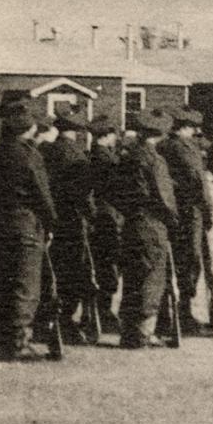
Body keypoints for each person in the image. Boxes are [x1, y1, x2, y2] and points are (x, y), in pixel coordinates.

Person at [0, 101, 59, 361]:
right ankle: (18, 343)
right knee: (25, 286)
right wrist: (51, 224)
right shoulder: (29, 155)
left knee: (3, 283)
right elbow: (42, 195)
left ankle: (3, 343)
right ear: (28, 128)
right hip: (26, 226)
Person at [116, 109, 179, 350]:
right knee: (151, 277)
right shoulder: (154, 160)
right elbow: (164, 198)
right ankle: (143, 332)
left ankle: (128, 331)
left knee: (132, 276)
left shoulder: (128, 156)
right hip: (152, 223)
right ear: (160, 133)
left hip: (131, 221)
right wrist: (173, 222)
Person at [43, 111, 99, 342]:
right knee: (74, 270)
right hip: (72, 220)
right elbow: (81, 192)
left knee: (54, 269)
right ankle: (66, 321)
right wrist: (92, 215)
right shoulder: (74, 154)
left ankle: (48, 319)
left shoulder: (46, 150)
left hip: (53, 218)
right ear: (76, 131)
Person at [162, 106, 213, 332]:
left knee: (170, 260)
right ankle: (183, 314)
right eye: (193, 127)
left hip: (170, 211)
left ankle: (167, 313)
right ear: (185, 127)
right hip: (190, 212)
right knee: (190, 261)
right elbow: (199, 183)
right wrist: (208, 212)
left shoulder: (162, 145)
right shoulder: (186, 148)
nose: (195, 132)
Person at [88, 116, 125, 335]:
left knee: (102, 263)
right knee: (110, 265)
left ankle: (98, 312)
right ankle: (105, 313)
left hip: (100, 216)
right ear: (107, 135)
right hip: (109, 217)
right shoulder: (106, 160)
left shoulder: (92, 155)